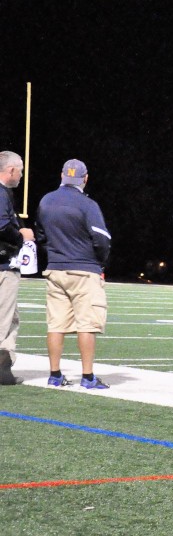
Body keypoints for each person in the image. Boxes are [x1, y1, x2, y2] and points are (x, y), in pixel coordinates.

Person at [35, 159, 112, 389]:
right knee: (87, 324)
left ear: (62, 176)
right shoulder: (87, 205)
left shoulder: (46, 200)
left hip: (56, 269)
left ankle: (55, 375)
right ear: (85, 178)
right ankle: (87, 377)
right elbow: (102, 239)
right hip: (84, 269)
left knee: (56, 324)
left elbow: (41, 236)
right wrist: (100, 262)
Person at [0, 151, 33, 385]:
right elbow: (2, 227)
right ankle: (2, 372)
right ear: (10, 170)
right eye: (20, 169)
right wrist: (21, 236)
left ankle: (4, 372)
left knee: (10, 319)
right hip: (3, 265)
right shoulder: (2, 194)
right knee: (5, 320)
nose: (21, 174)